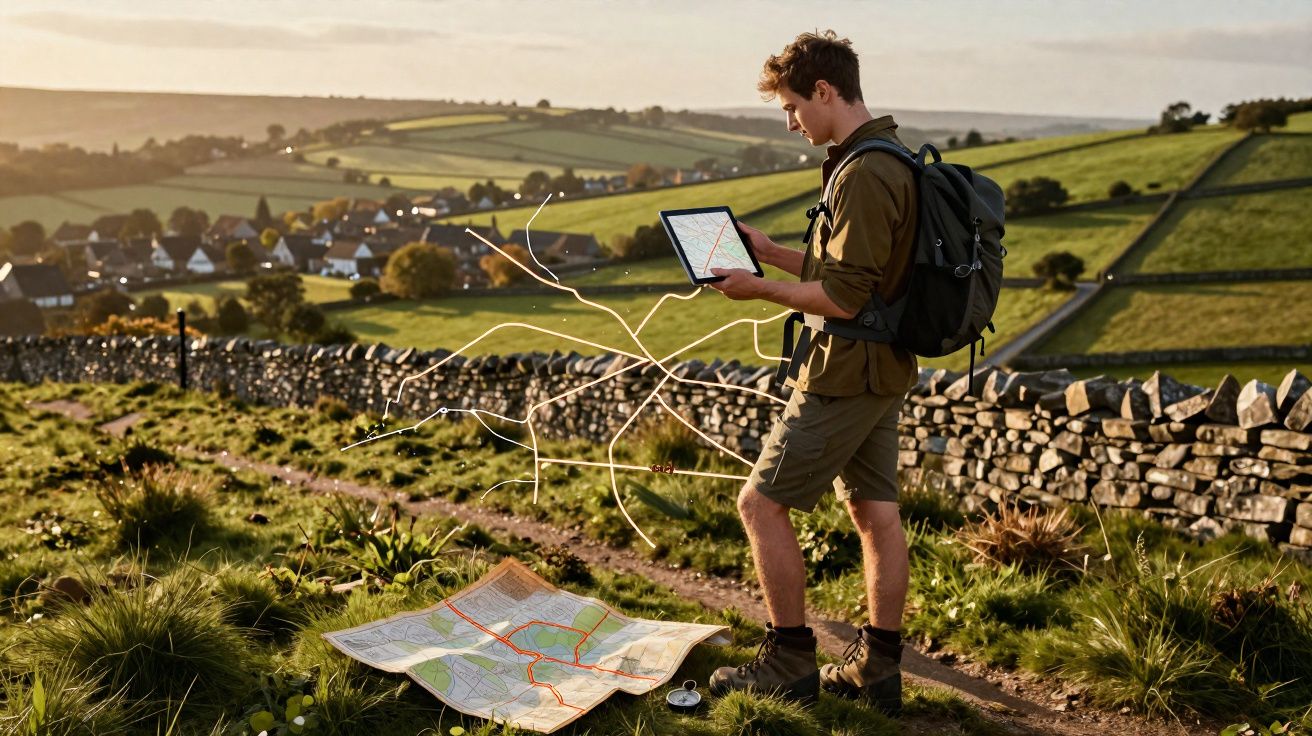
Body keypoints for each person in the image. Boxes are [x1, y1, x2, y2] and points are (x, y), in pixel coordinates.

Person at [704, 30, 919, 715]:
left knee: (759, 505)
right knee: (875, 514)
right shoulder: (888, 157)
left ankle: (789, 661)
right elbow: (856, 276)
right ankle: (877, 670)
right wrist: (771, 252)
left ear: (824, 91)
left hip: (845, 369)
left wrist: (757, 289)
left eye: (793, 107)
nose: (791, 122)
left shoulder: (863, 174)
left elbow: (844, 299)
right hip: (882, 365)